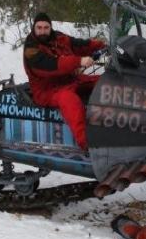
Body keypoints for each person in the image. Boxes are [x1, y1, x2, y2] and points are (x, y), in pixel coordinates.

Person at [23, 12, 105, 151]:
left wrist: (100, 45)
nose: (43, 31)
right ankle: (87, 144)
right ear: (34, 28)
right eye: (39, 27)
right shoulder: (31, 49)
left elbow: (79, 44)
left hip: (71, 81)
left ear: (50, 27)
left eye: (46, 27)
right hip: (47, 90)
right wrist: (79, 61)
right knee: (69, 100)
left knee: (104, 82)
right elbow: (52, 65)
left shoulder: (59, 37)